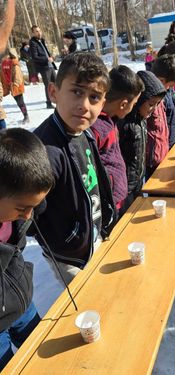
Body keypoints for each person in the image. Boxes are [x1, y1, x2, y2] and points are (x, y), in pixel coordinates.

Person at [32, 52, 116, 285]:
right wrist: (67, 237)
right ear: (53, 92)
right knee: (91, 302)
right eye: (77, 92)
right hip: (69, 256)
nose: (84, 105)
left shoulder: (85, 132)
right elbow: (29, 216)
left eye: (94, 97)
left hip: (93, 237)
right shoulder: (44, 152)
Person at [0, 127, 54, 370]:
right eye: (23, 208)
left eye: (35, 205)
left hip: (22, 302)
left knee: (40, 358)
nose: (29, 215)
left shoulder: (14, 208)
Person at [90, 65, 144, 214]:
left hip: (117, 199)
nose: (133, 108)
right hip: (106, 204)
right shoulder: (97, 127)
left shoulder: (110, 120)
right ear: (123, 104)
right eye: (133, 104)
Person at [118, 71, 166, 214]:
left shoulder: (142, 120)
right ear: (139, 100)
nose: (154, 109)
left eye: (157, 104)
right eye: (151, 104)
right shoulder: (125, 124)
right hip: (124, 190)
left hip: (138, 183)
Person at [147, 54, 175, 178]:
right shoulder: (153, 99)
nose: (170, 89)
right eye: (170, 85)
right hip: (157, 156)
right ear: (161, 80)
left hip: (168, 148)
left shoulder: (167, 91)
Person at [29, 25, 57, 109]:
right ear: (33, 33)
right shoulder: (33, 43)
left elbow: (45, 53)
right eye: (36, 31)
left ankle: (58, 98)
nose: (39, 33)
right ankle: (48, 103)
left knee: (56, 83)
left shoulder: (42, 41)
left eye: (39, 31)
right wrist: (47, 59)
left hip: (50, 66)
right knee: (48, 85)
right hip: (44, 67)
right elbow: (35, 57)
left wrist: (51, 57)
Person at [1, 48, 29, 123]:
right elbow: (3, 75)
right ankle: (25, 115)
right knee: (19, 102)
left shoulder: (14, 63)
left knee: (21, 102)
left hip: (16, 86)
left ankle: (26, 116)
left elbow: (18, 75)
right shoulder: (3, 63)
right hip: (10, 87)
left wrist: (15, 84)